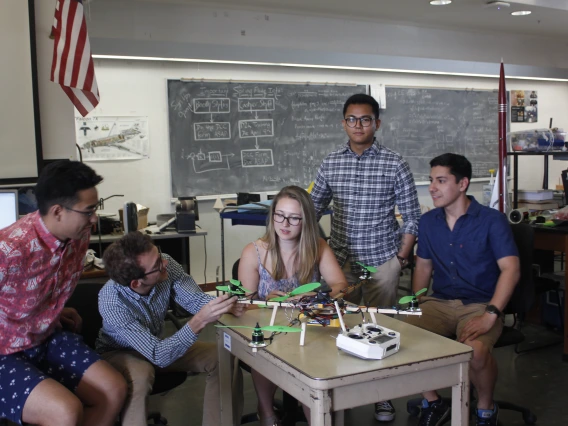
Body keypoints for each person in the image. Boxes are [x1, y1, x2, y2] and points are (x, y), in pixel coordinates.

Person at [310, 93, 421, 421]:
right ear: (343, 123)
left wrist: (400, 260)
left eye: (366, 119)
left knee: (381, 328)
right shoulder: (331, 162)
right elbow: (312, 208)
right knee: (339, 326)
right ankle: (341, 389)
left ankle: (382, 397)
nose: (358, 125)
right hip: (341, 261)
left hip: (382, 261)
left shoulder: (395, 162)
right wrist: (320, 251)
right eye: (352, 119)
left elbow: (412, 217)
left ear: (377, 123)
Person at [0, 160, 127, 426]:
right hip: (4, 351)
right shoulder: (10, 249)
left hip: (44, 338)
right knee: (64, 411)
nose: (95, 218)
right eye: (88, 210)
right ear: (58, 211)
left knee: (114, 389)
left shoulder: (78, 236)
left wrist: (48, 310)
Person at [406, 153, 520, 426]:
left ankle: (485, 408)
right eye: (431, 180)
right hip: (440, 301)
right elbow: (423, 268)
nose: (432, 187)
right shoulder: (429, 221)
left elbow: (511, 270)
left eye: (441, 180)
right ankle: (433, 402)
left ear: (463, 184)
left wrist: (491, 314)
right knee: (399, 338)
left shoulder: (492, 220)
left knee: (475, 352)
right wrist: (416, 304)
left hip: (480, 305)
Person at [97, 231, 245, 426]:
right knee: (140, 376)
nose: (164, 263)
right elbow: (159, 355)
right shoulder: (111, 302)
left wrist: (225, 304)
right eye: (157, 265)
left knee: (223, 356)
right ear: (136, 283)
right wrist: (198, 322)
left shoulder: (165, 263)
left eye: (158, 255)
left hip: (157, 344)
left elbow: (195, 299)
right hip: (119, 352)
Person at [238, 185, 348, 426]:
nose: (284, 223)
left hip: (309, 328)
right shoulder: (253, 252)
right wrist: (268, 302)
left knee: (323, 357)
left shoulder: (317, 247)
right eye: (279, 215)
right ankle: (266, 411)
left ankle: (318, 415)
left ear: (306, 220)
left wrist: (315, 295)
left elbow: (340, 284)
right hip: (269, 330)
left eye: (294, 218)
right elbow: (243, 306)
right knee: (264, 346)